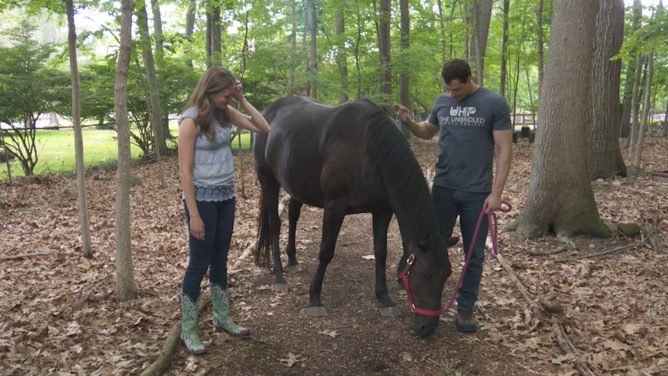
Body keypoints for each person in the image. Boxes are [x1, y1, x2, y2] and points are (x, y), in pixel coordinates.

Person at [395, 59, 512, 333]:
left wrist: (497, 193)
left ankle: (465, 307)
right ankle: (426, 299)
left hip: (477, 193)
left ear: (469, 79)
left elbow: (504, 150)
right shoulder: (442, 102)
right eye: (447, 90)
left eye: (456, 90)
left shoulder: (493, 103)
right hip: (443, 190)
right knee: (430, 250)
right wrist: (410, 122)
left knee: (474, 255)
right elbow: (427, 131)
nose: (452, 95)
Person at [177, 66, 270, 354]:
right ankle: (188, 329)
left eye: (231, 95)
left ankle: (222, 317)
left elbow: (263, 128)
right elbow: (184, 171)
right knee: (198, 262)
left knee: (219, 261)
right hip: (201, 200)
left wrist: (242, 99)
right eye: (225, 95)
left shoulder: (226, 114)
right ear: (210, 91)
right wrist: (193, 214)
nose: (228, 100)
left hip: (225, 196)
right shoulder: (190, 121)